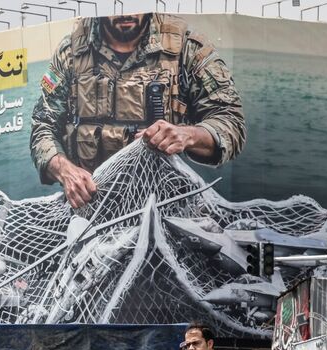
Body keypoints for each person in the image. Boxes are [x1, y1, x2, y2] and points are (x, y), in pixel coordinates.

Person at [31, 13, 246, 209]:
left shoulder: (187, 48)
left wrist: (187, 135)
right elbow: (43, 125)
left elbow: (230, 120)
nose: (126, 12)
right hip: (91, 209)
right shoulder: (71, 53)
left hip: (166, 207)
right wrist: (65, 170)